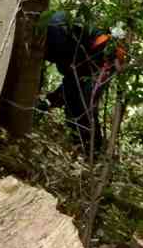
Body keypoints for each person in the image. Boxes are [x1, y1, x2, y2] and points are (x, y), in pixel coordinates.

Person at [42, 10, 123, 155]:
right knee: (71, 102)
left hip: (101, 63)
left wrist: (111, 57)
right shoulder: (51, 44)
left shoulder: (87, 35)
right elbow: (70, 82)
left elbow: (107, 44)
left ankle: (93, 150)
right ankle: (78, 143)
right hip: (80, 66)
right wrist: (49, 101)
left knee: (85, 103)